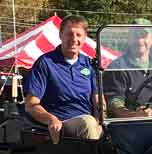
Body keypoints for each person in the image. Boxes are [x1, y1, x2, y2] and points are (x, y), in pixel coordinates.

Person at [24, 15, 103, 143]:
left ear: (85, 38)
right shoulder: (46, 63)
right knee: (87, 123)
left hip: (91, 123)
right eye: (69, 34)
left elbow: (98, 102)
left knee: (117, 129)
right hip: (62, 123)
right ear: (60, 36)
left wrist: (100, 121)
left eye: (78, 35)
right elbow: (31, 105)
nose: (74, 39)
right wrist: (51, 119)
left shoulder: (90, 64)